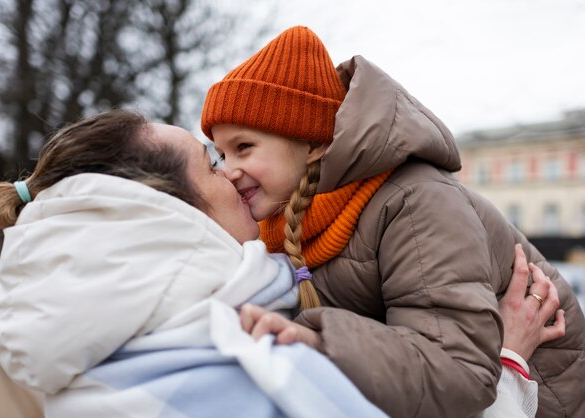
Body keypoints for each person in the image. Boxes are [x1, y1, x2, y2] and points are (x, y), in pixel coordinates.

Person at [0, 110, 562, 418]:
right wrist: (509, 360)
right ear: (166, 208)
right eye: (212, 163)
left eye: (236, 153)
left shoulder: (99, 342)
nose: (231, 174)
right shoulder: (240, 357)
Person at [201, 26, 585, 418]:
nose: (229, 170)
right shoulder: (285, 224)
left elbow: (456, 370)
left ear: (313, 142)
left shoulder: (415, 202)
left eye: (244, 147)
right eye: (221, 155)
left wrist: (319, 341)